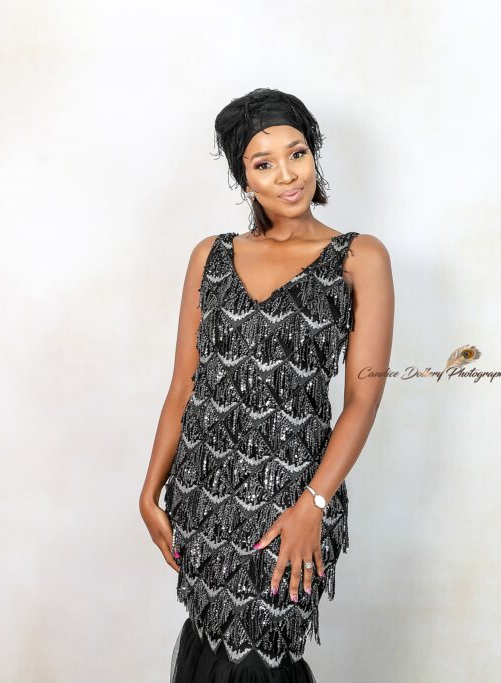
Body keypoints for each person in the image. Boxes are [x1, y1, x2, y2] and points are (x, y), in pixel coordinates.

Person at [139, 87, 395, 682]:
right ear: (244, 178)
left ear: (314, 155)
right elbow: (183, 386)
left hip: (292, 499)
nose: (286, 174)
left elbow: (363, 399)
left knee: (261, 660)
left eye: (297, 153)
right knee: (212, 648)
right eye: (264, 163)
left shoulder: (359, 258)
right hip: (204, 493)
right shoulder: (211, 255)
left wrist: (314, 505)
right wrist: (150, 493)